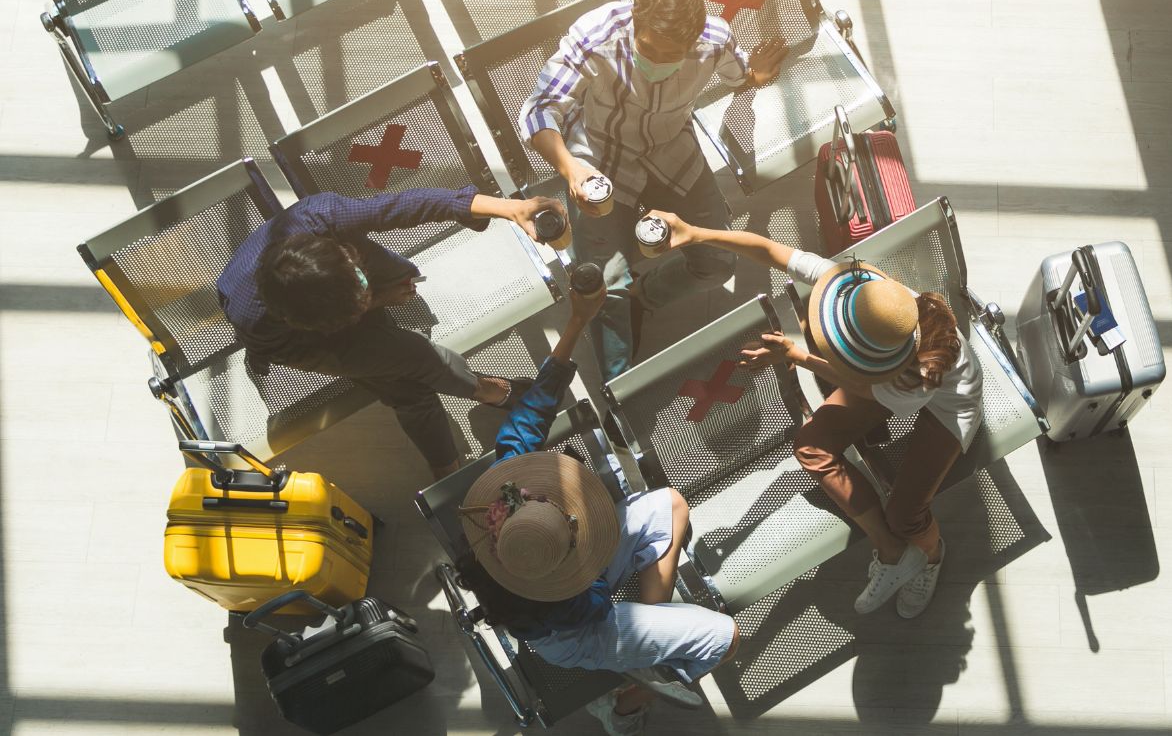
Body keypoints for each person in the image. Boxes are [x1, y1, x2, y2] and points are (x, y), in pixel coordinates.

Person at [647, 211, 984, 619]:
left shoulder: (918, 376)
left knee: (905, 514)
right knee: (811, 446)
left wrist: (797, 356)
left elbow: (865, 388)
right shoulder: (868, 296)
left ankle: (930, 557)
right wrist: (696, 230)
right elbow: (769, 249)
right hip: (887, 380)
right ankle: (892, 552)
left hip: (952, 406)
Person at [456, 286, 739, 736]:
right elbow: (593, 604)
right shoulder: (563, 597)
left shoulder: (508, 502)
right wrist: (586, 560)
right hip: (572, 631)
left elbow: (532, 410)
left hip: (566, 579)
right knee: (723, 640)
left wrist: (576, 321)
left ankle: (648, 650)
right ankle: (624, 706)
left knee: (669, 504)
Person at [519, 0, 787, 379]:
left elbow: (739, 74)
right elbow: (541, 107)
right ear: (634, 21)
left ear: (693, 41)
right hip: (599, 158)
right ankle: (623, 386)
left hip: (672, 153)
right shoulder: (596, 35)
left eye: (671, 54)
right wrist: (571, 169)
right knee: (605, 289)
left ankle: (645, 297)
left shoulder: (714, 40)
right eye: (648, 49)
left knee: (717, 264)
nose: (658, 62)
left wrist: (754, 77)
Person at [216, 186, 564, 481]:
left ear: (338, 250)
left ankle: (458, 452)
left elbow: (404, 207)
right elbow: (310, 349)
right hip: (309, 342)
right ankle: (488, 399)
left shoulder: (319, 217)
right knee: (415, 368)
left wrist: (508, 207)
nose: (364, 293)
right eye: (357, 301)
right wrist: (374, 300)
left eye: (360, 282)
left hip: (331, 292)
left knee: (406, 379)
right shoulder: (259, 324)